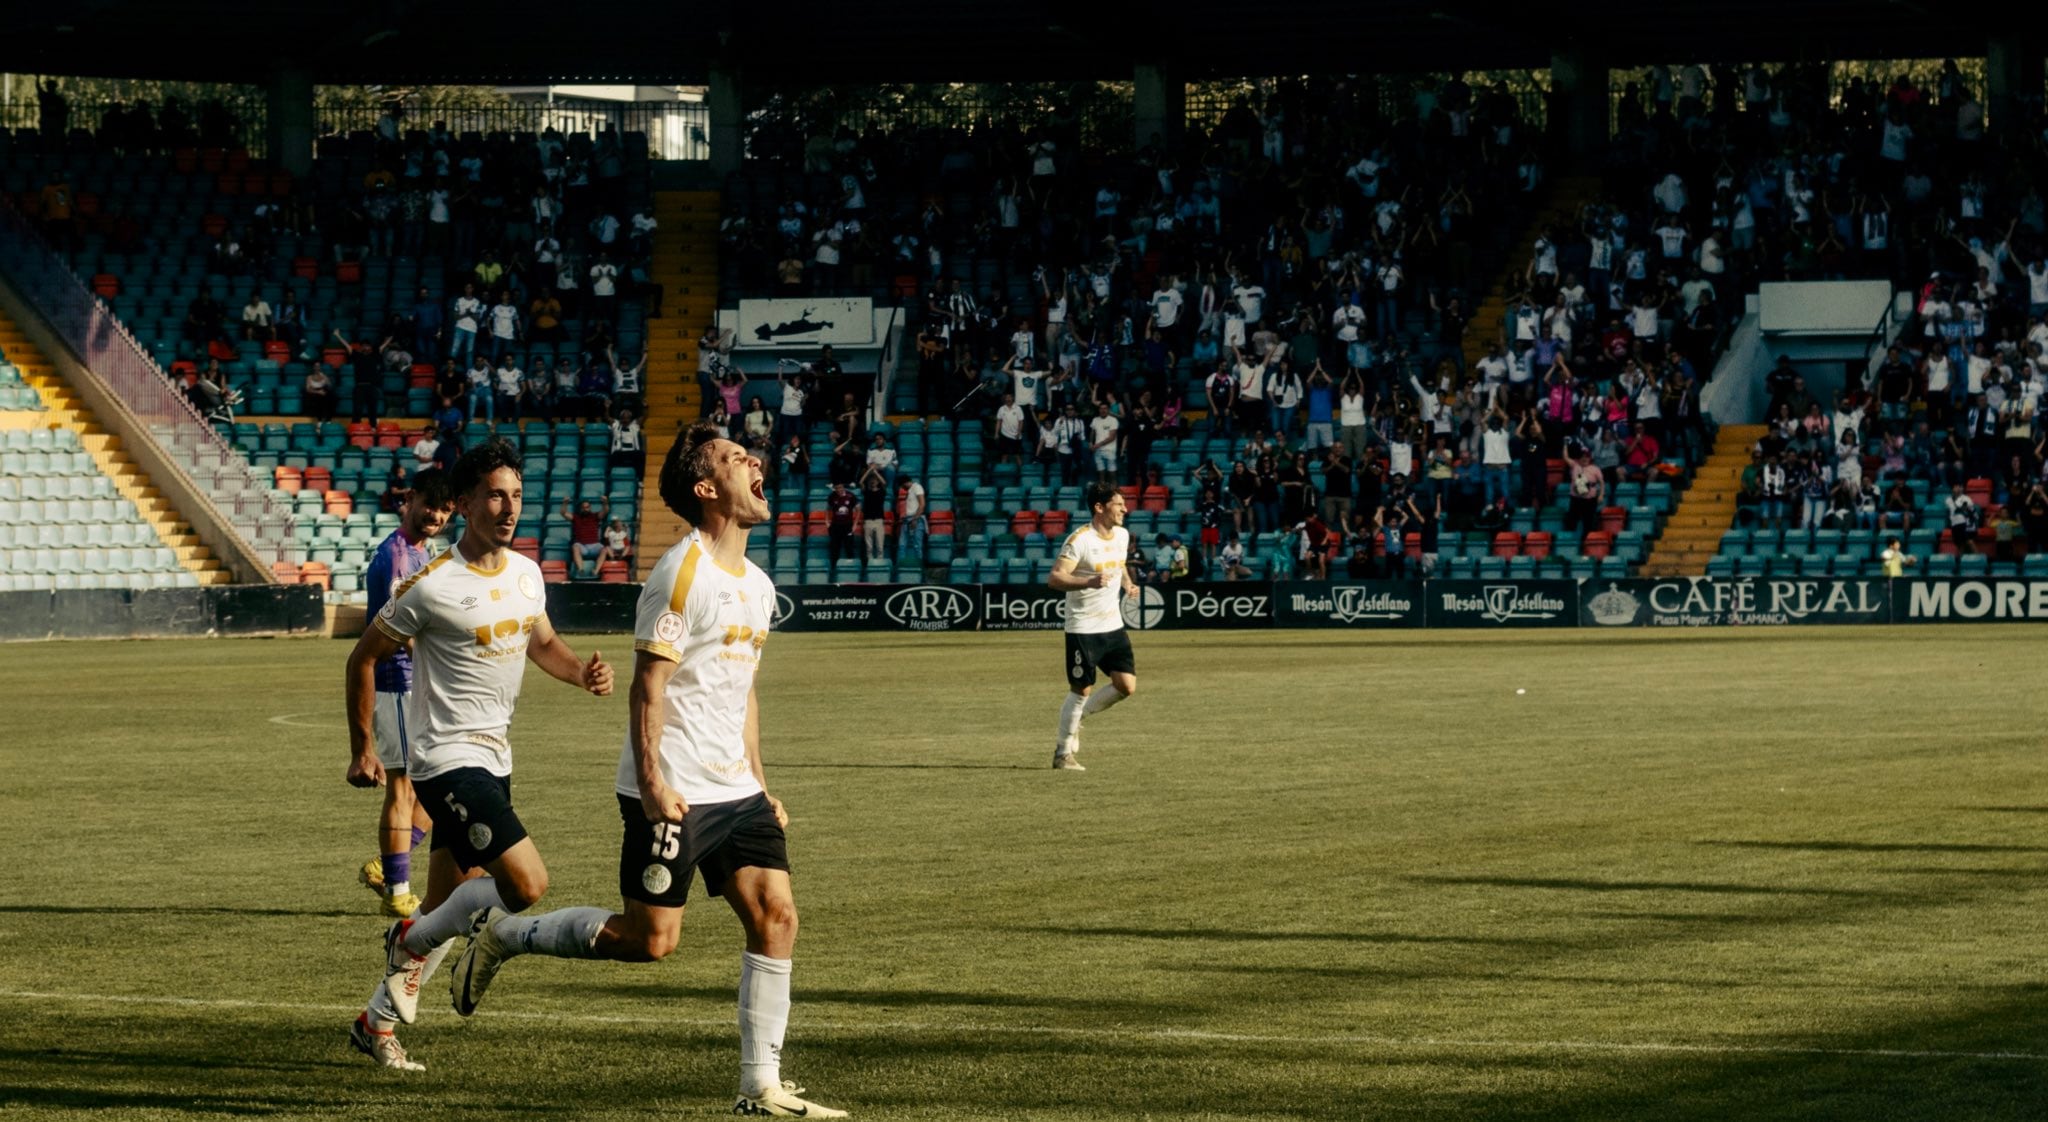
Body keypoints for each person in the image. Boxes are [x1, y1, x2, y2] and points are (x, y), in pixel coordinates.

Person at [434, 424, 844, 1117]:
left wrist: (762, 785)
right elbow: (647, 686)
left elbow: (740, 688)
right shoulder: (682, 573)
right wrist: (653, 785)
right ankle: (506, 935)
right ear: (707, 489)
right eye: (731, 457)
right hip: (675, 789)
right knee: (649, 941)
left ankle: (759, 1087)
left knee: (777, 917)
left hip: (736, 789)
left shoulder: (760, 585)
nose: (754, 460)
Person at [343, 439, 614, 1071]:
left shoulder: (525, 574)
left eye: (516, 495)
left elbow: (541, 641)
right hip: (444, 760)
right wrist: (363, 747)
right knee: (526, 884)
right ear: (465, 503)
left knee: (445, 910)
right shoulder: (431, 584)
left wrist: (580, 674)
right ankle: (403, 938)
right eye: (495, 494)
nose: (509, 506)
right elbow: (363, 658)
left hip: (495, 757)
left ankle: (374, 1023)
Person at [354, 468, 455, 919]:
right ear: (409, 499)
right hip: (396, 681)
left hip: (417, 683)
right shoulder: (397, 557)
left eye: (445, 509)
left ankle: (386, 864)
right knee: (401, 786)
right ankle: (397, 892)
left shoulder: (420, 551)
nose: (435, 515)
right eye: (429, 504)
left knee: (437, 784)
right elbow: (399, 633)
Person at [1046, 483, 1138, 772]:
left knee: (1126, 686)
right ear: (1099, 508)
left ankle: (1079, 718)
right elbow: (1055, 578)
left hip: (1113, 625)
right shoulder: (1080, 540)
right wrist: (1088, 582)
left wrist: (1127, 582)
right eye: (1119, 504)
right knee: (1081, 689)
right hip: (1083, 628)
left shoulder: (1122, 535)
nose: (1125, 509)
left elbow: (1119, 563)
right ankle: (1062, 754)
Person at [563, 497, 611, 578]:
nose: (585, 509)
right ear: (580, 508)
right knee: (575, 547)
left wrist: (605, 502)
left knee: (604, 550)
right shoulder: (576, 517)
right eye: (583, 507)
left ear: (590, 508)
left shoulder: (595, 516)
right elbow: (563, 513)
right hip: (582, 546)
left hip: (594, 545)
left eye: (587, 507)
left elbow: (605, 511)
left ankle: (595, 571)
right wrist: (565, 503)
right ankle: (581, 570)